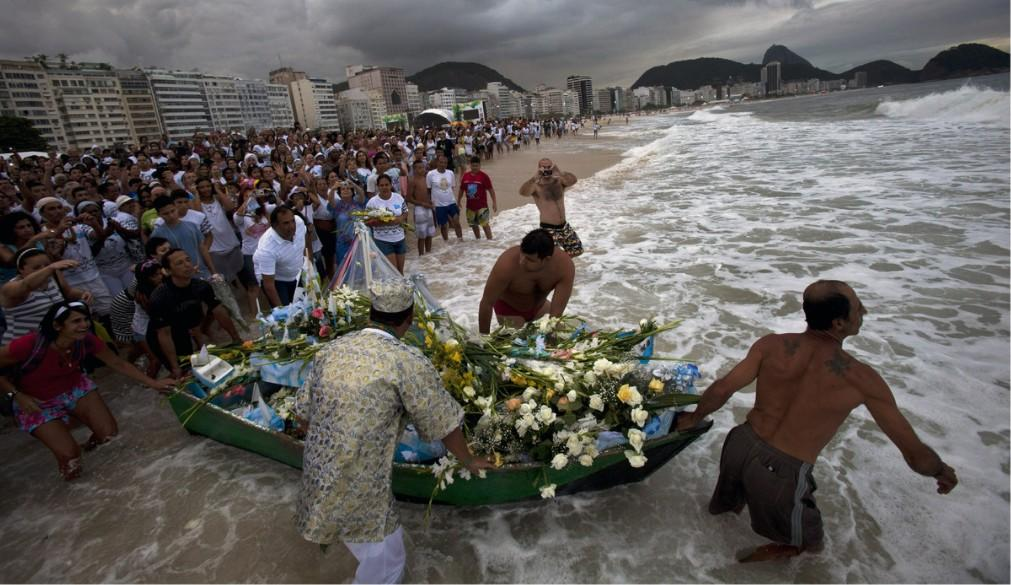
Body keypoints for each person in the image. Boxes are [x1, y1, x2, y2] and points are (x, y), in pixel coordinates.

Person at [674, 280, 959, 562]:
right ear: (838, 323)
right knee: (810, 547)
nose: (865, 312)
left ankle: (700, 563)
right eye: (859, 308)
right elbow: (913, 453)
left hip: (740, 443)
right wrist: (940, 471)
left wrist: (695, 417)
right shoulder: (861, 378)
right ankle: (744, 566)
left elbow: (723, 388)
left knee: (721, 514)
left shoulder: (771, 345)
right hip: (781, 472)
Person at [294, 277, 491, 584]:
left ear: (371, 313)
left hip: (316, 472)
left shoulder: (331, 349)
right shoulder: (406, 360)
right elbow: (443, 421)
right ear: (410, 319)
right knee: (388, 563)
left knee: (366, 545)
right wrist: (469, 459)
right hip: (359, 483)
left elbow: (303, 416)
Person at [0, 301, 175, 480]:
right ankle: (73, 493)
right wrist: (17, 396)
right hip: (36, 402)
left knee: (108, 435)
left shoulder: (86, 340)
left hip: (75, 388)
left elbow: (117, 363)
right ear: (57, 325)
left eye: (86, 319)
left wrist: (154, 383)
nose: (84, 325)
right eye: (76, 321)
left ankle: (94, 455)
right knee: (70, 458)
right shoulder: (29, 344)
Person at [146, 248, 241, 378]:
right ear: (168, 271)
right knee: (181, 369)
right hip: (162, 334)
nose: (187, 265)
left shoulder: (201, 286)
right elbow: (164, 334)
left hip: (184, 325)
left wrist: (236, 339)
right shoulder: (160, 297)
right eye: (179, 263)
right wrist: (175, 367)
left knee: (200, 365)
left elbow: (218, 311)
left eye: (188, 260)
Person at [477, 229, 575, 334]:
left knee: (561, 335)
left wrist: (552, 336)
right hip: (509, 309)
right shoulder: (507, 264)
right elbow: (486, 303)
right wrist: (484, 339)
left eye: (529, 259)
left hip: (540, 307)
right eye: (522, 254)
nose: (522, 261)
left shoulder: (564, 267)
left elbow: (556, 314)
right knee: (520, 343)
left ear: (546, 259)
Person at [1, 249, 92, 345]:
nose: (43, 269)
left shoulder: (52, 278)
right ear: (21, 269)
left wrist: (83, 294)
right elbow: (26, 285)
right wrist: (50, 268)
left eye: (46, 265)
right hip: (23, 346)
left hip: (52, 342)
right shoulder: (10, 287)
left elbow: (68, 292)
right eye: (36, 267)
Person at [518, 158, 583, 257]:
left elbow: (573, 180)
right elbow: (523, 192)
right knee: (551, 257)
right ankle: (554, 269)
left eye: (549, 167)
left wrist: (560, 172)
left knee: (577, 250)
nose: (547, 169)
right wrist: (535, 177)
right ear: (539, 168)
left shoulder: (559, 181)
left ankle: (562, 267)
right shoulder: (536, 185)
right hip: (548, 229)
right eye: (544, 167)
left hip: (564, 226)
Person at [150, 195, 217, 280]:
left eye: (172, 211)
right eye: (165, 214)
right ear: (159, 214)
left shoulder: (191, 226)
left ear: (176, 207)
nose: (171, 215)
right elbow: (160, 260)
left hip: (203, 272)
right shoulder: (157, 234)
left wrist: (213, 271)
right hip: (181, 278)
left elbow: (203, 249)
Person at [253, 206, 307, 308]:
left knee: (303, 307)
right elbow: (268, 285)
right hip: (277, 281)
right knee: (287, 313)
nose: (292, 226)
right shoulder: (266, 249)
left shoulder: (299, 222)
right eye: (286, 223)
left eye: (292, 221)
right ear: (274, 226)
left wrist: (309, 263)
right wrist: (282, 310)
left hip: (298, 273)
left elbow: (306, 237)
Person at [366, 175, 409, 274]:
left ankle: (403, 289)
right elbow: (366, 221)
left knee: (401, 271)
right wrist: (379, 221)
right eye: (381, 185)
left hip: (400, 238)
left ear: (391, 185)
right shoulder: (372, 202)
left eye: (386, 185)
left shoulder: (398, 197)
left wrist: (400, 219)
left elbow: (405, 212)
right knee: (394, 272)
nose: (384, 187)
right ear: (377, 186)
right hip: (383, 240)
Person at [458, 156, 498, 240]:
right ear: (470, 165)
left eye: (476, 166)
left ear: (480, 166)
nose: (475, 168)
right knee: (473, 225)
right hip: (470, 206)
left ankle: (490, 241)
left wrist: (494, 202)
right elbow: (461, 189)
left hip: (482, 206)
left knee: (485, 224)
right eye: (473, 166)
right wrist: (458, 201)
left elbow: (491, 190)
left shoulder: (484, 176)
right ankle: (478, 241)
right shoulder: (465, 176)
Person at [426, 155, 462, 242]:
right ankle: (446, 243)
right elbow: (428, 190)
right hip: (438, 205)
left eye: (445, 163)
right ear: (437, 162)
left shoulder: (450, 173)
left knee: (457, 223)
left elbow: (452, 187)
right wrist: (430, 203)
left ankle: (461, 241)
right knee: (443, 226)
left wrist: (454, 200)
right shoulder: (430, 174)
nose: (443, 164)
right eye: (441, 162)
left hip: (451, 202)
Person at [405, 159, 435, 256]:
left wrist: (430, 201)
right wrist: (422, 203)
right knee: (421, 235)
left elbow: (429, 193)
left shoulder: (426, 179)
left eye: (423, 167)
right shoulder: (412, 181)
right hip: (419, 209)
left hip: (429, 208)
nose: (422, 169)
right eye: (419, 168)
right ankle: (421, 256)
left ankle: (428, 256)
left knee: (430, 233)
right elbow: (408, 198)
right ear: (414, 169)